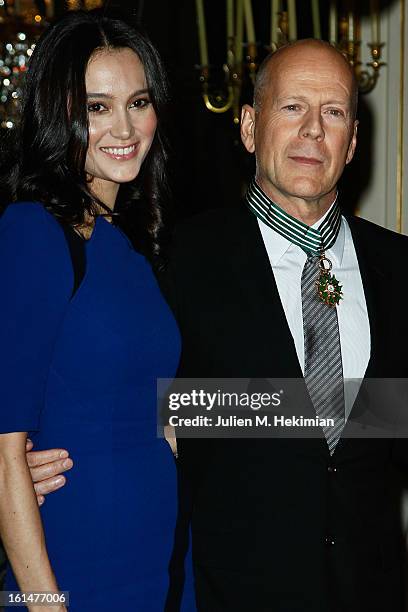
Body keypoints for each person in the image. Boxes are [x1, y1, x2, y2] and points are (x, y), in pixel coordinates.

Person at [26, 39, 408, 611]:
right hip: (220, 594)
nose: (312, 131)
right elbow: (110, 390)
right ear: (250, 128)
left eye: (333, 112)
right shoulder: (167, 258)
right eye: (291, 107)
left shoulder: (402, 268)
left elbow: (384, 419)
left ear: (353, 141)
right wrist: (25, 460)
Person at [0, 9, 194, 611]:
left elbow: (149, 398)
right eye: (96, 107)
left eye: (138, 102)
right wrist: (43, 602)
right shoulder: (34, 231)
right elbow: (4, 450)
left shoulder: (138, 243)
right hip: (75, 568)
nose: (124, 127)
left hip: (162, 564)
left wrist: (365, 408)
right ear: (58, 114)